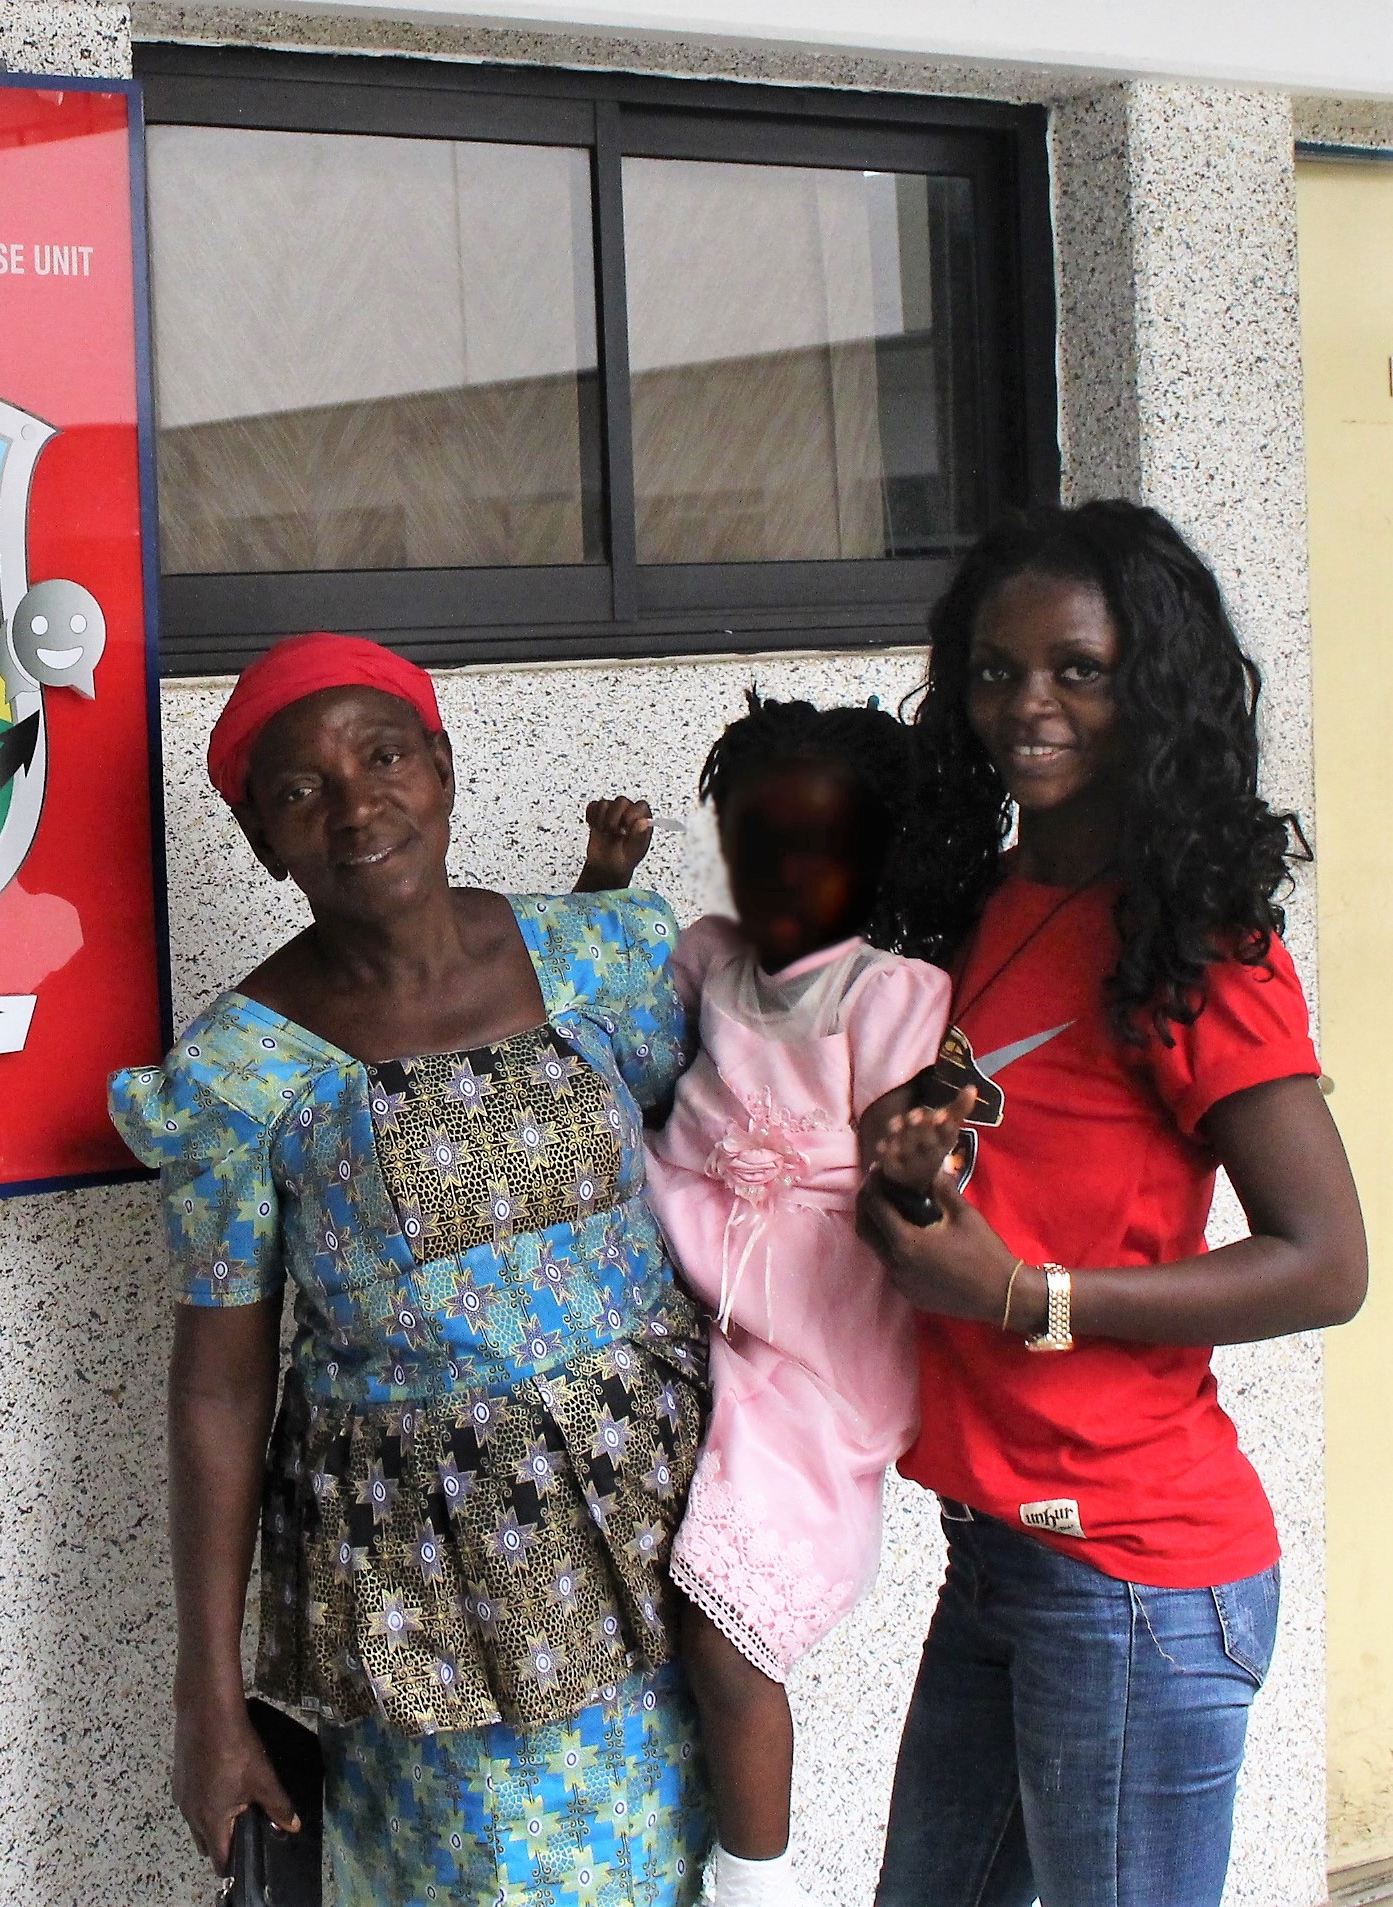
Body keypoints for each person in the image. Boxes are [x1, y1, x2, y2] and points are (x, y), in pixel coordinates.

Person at [108, 633, 716, 1906]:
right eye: (299, 791)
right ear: (261, 837)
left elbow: (712, 1186)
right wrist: (207, 1698)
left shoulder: (607, 961)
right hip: (429, 1593)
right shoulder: (238, 1076)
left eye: (384, 757)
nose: (354, 805)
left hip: (665, 1549)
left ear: (442, 767)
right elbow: (219, 1387)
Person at [856, 500, 1368, 1907]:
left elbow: (1324, 1262)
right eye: (993, 668)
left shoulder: (1190, 938)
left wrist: (1025, 1296)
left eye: (1076, 669)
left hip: (1132, 1572)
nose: (1026, 705)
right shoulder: (993, 892)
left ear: (1150, 686)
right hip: (998, 1547)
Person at [577, 697, 952, 1907]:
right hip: (676, 1265)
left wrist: (917, 1157)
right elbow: (608, 1019)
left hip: (813, 1338)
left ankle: (759, 1882)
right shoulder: (706, 954)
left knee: (731, 1627)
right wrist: (602, 879)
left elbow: (914, 1149)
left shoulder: (891, 993)